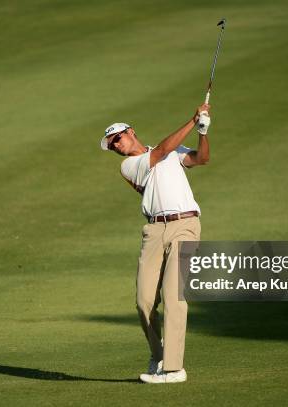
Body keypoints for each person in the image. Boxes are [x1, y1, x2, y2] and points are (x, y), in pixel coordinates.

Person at [99, 103, 211, 384]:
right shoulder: (129, 166)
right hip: (154, 231)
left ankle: (174, 369)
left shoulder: (173, 152)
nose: (116, 145)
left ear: (131, 132)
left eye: (118, 138)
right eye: (112, 145)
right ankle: (157, 356)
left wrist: (202, 131)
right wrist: (192, 119)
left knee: (174, 296)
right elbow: (161, 151)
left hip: (185, 225)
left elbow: (201, 159)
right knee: (144, 300)